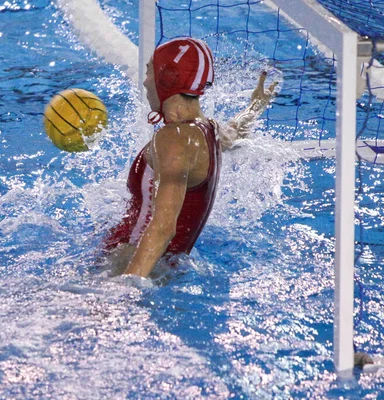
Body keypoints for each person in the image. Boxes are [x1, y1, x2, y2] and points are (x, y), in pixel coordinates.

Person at [104, 37, 278, 278]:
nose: (145, 82)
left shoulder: (174, 139)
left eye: (149, 72)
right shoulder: (209, 129)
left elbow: (163, 228)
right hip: (163, 268)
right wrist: (255, 107)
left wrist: (124, 287)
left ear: (168, 78)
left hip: (129, 264)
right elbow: (235, 131)